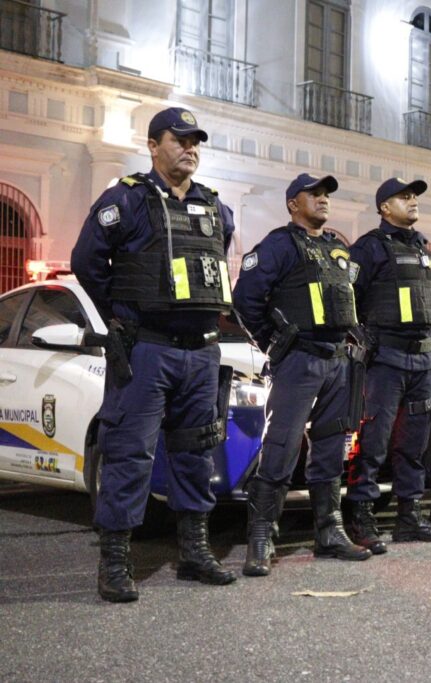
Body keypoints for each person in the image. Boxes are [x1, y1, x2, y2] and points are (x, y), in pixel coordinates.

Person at [71, 107, 237, 602]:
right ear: (153, 146)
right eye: (179, 139)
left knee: (194, 453)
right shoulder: (127, 198)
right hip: (148, 349)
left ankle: (194, 551)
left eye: (195, 141)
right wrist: (120, 316)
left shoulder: (215, 208)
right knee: (129, 453)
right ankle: (116, 562)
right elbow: (86, 261)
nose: (190, 148)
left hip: (201, 351)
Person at [233, 173, 371, 576]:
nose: (323, 200)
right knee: (281, 447)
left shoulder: (336, 249)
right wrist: (274, 343)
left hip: (337, 360)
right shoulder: (279, 244)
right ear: (294, 203)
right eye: (315, 194)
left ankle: (329, 531)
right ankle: (260, 539)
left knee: (331, 449)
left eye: (326, 194)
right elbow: (245, 300)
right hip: (300, 360)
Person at [343, 178, 431, 553]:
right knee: (373, 443)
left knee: (414, 444)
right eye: (403, 197)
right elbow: (347, 299)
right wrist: (362, 341)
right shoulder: (370, 248)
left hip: (422, 361)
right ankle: (361, 518)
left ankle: (409, 517)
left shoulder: (424, 248)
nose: (412, 201)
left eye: (414, 196)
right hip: (385, 360)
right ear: (384, 208)